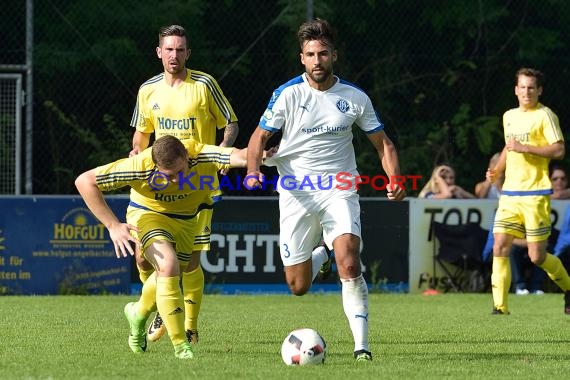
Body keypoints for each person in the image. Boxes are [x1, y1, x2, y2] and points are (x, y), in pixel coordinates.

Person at [245, 18, 406, 362]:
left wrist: (394, 178)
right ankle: (322, 254)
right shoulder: (287, 94)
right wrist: (254, 170)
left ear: (335, 55)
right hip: (295, 191)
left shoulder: (354, 97)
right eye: (310, 54)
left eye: (323, 53)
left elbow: (383, 144)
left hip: (340, 187)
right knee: (298, 286)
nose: (317, 60)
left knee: (350, 263)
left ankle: (362, 347)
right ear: (301, 58)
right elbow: (259, 138)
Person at [75, 135, 268, 359]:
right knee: (168, 265)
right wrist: (112, 225)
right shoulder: (139, 166)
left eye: (180, 171)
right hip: (148, 215)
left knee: (171, 276)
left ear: (187, 157)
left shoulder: (200, 153)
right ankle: (181, 346)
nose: (176, 179)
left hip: (187, 221)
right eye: (168, 175)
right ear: (156, 166)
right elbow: (85, 181)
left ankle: (137, 313)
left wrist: (262, 155)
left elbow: (239, 156)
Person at [129, 24, 239, 344]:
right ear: (159, 52)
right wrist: (136, 153)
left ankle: (188, 326)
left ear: (187, 53)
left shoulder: (204, 85)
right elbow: (141, 136)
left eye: (180, 50)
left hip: (198, 182)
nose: (174, 55)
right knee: (142, 257)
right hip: (159, 183)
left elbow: (229, 122)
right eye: (169, 49)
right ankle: (164, 301)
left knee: (189, 259)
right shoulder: (147, 90)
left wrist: (221, 154)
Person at [487, 67, 570, 315]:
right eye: (522, 87)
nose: (526, 91)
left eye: (531, 87)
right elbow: (508, 147)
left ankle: (568, 288)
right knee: (499, 245)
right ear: (516, 90)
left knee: (537, 257)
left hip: (535, 195)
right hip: (510, 194)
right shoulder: (509, 116)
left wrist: (526, 148)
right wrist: (497, 170)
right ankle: (500, 307)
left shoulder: (545, 116)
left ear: (539, 90)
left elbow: (558, 150)